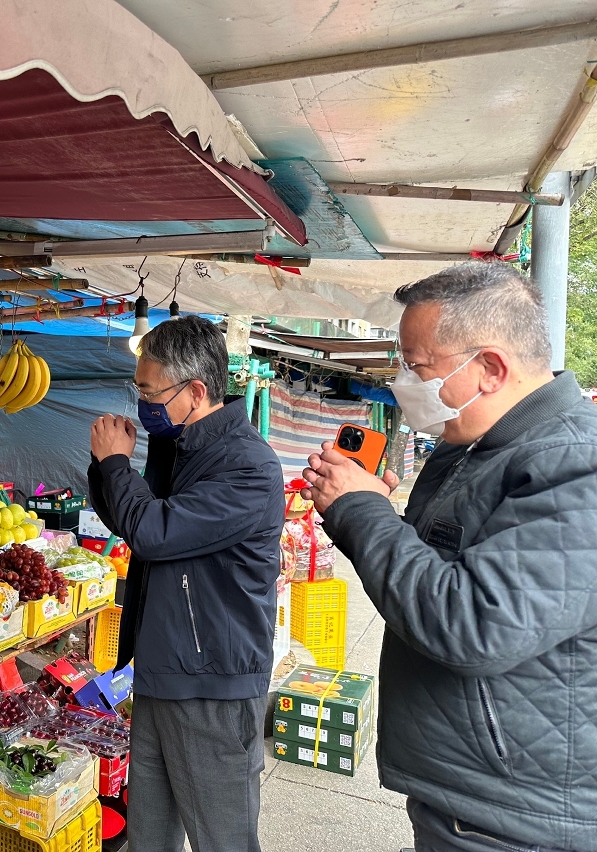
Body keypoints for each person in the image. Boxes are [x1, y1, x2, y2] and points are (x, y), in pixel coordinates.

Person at [301, 263, 597, 852]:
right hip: (473, 793)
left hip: (513, 820)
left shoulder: (574, 462)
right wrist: (365, 509)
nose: (404, 382)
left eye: (418, 367)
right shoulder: (476, 446)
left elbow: (476, 624)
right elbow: (429, 575)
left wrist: (364, 511)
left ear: (490, 368)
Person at [86, 315, 284, 852]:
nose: (143, 403)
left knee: (223, 840)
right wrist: (106, 468)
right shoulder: (178, 448)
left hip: (211, 683)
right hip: (161, 669)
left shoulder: (248, 468)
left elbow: (155, 532)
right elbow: (131, 522)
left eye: (151, 392)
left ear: (196, 391)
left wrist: (118, 464)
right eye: (139, 390)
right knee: (149, 835)